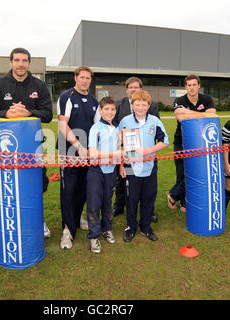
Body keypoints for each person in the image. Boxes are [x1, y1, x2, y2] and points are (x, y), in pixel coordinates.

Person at [0, 47, 53, 237]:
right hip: (6, 149)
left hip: (33, 146)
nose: (20, 64)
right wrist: (7, 113)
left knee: (37, 185)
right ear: (11, 62)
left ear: (29, 63)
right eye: (17, 60)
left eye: (24, 60)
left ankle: (39, 220)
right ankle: (11, 221)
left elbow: (48, 114)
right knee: (10, 185)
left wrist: (29, 112)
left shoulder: (39, 86)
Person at [57, 66, 99, 250]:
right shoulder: (67, 96)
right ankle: (67, 230)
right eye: (81, 77)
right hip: (70, 153)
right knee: (68, 192)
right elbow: (62, 125)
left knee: (83, 189)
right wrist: (78, 146)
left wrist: (92, 149)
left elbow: (98, 128)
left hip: (87, 155)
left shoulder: (93, 101)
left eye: (88, 78)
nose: (84, 81)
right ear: (76, 78)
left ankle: (77, 216)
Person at [119, 90, 169, 242]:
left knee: (148, 198)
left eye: (144, 104)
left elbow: (164, 141)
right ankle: (131, 227)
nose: (140, 107)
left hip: (149, 166)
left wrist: (148, 150)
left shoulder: (154, 121)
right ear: (132, 105)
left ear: (148, 106)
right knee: (131, 198)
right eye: (137, 104)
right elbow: (119, 144)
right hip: (129, 166)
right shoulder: (125, 121)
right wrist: (121, 165)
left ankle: (146, 227)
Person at [167, 75, 217, 212]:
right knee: (181, 173)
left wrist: (188, 112)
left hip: (200, 143)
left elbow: (212, 114)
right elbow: (180, 117)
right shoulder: (179, 100)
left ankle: (173, 194)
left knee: (194, 173)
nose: (192, 87)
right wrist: (202, 114)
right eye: (189, 85)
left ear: (199, 85)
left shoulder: (206, 99)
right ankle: (183, 201)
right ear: (185, 87)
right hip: (181, 142)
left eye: (194, 84)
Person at [112, 77, 159, 222]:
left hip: (145, 152)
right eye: (131, 87)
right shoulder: (119, 104)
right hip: (125, 151)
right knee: (123, 179)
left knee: (148, 183)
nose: (133, 90)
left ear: (141, 89)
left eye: (136, 87)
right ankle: (119, 207)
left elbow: (155, 127)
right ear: (127, 89)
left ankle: (149, 212)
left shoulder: (151, 105)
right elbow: (114, 125)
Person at [86, 96, 121, 253]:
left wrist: (119, 163)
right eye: (106, 109)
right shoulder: (95, 128)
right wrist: (114, 154)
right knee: (94, 203)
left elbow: (121, 151)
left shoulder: (118, 129)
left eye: (112, 109)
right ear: (100, 111)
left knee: (108, 201)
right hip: (96, 171)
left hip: (111, 171)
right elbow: (93, 153)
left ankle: (107, 228)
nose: (110, 112)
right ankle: (94, 235)